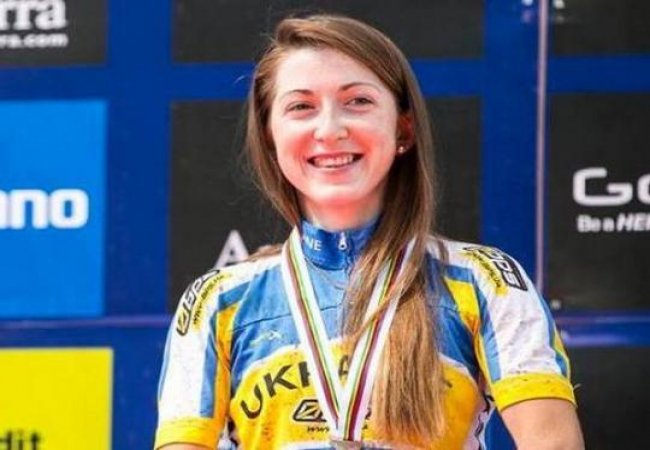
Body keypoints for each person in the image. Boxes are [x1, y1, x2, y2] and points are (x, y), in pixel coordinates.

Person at [154, 14, 584, 450]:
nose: (329, 130)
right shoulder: (219, 301)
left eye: (357, 101)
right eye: (301, 107)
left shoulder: (484, 281)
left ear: (403, 128)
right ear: (270, 135)